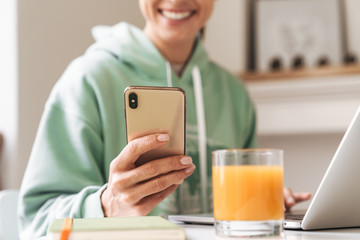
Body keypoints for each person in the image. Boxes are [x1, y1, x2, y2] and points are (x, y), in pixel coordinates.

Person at [18, 0, 311, 239]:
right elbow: (34, 224)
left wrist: (264, 201)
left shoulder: (234, 94)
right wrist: (108, 205)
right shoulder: (87, 81)